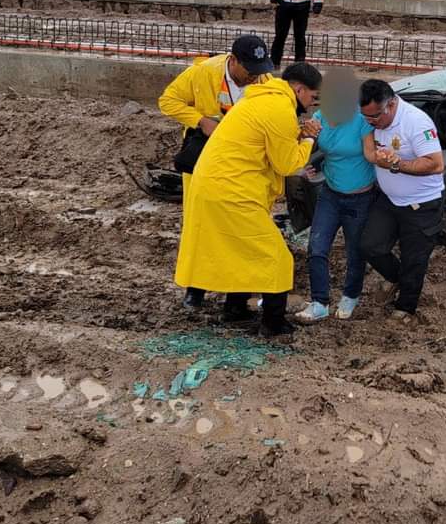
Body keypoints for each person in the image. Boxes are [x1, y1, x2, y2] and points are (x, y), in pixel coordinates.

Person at [174, 62, 323, 337]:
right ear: (299, 89)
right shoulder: (279, 109)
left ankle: (235, 308)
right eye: (313, 98)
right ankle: (273, 323)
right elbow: (287, 163)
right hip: (231, 192)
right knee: (275, 256)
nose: (312, 105)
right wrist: (309, 140)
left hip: (218, 187)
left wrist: (297, 134)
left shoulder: (263, 99)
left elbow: (268, 142)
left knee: (237, 252)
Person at [158, 34, 273, 309]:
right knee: (200, 225)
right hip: (205, 160)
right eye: (249, 71)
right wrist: (201, 121)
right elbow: (168, 100)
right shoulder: (203, 73)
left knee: (239, 225)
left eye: (259, 70)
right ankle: (195, 289)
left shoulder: (264, 81)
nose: (254, 77)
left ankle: (237, 290)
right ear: (232, 61)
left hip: (241, 165)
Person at [357, 79, 445, 321]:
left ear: (391, 105)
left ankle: (406, 307)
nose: (371, 123)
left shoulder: (416, 122)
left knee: (414, 258)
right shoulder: (370, 117)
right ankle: (398, 278)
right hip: (389, 199)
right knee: (370, 246)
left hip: (421, 204)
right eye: (366, 117)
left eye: (375, 117)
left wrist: (397, 164)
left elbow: (436, 164)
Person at [295, 69, 377, 324]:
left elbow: (371, 153)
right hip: (330, 194)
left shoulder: (363, 121)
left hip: (360, 198)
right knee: (317, 247)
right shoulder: (320, 117)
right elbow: (307, 146)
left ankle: (351, 294)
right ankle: (320, 301)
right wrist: (305, 139)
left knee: (355, 250)